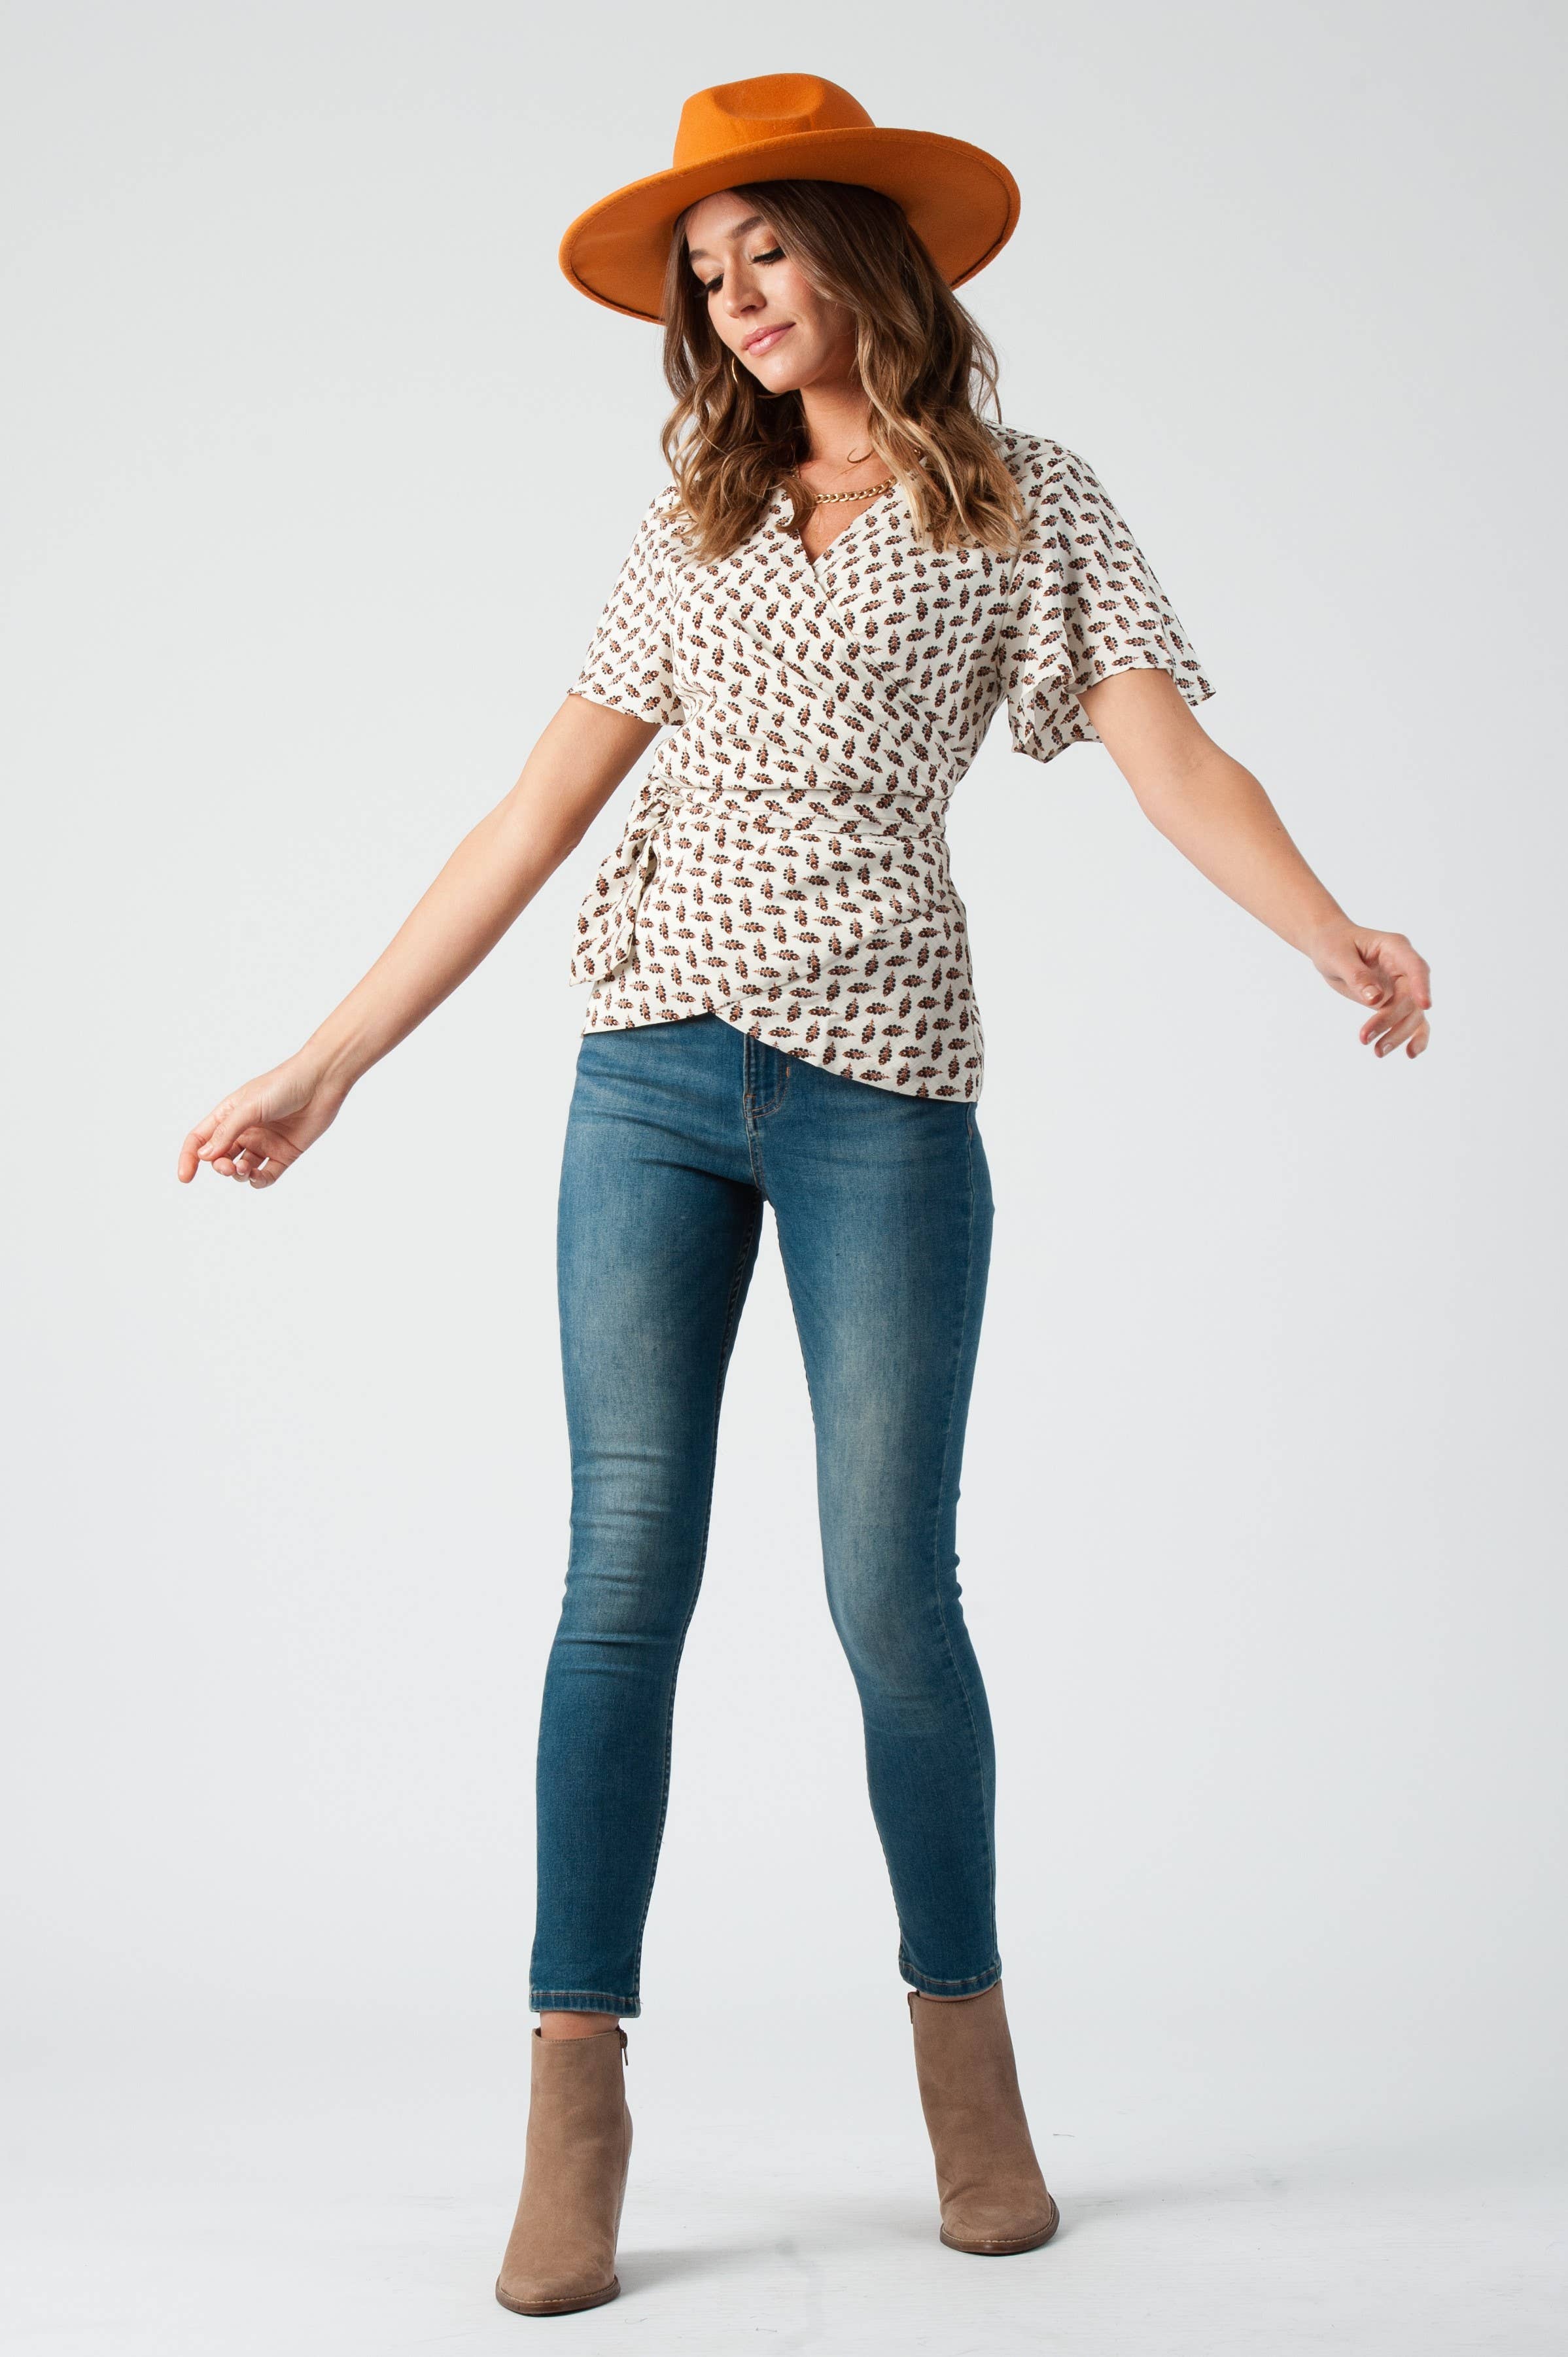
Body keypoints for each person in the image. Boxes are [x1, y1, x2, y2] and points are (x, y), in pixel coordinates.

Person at [177, 72, 1433, 2320]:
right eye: (706, 270)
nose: (737, 297)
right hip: (647, 1079)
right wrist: (327, 1060)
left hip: (887, 1094)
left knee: (889, 1593)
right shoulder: (695, 527)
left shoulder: (1028, 502)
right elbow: (526, 818)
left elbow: (1165, 748)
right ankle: (575, 2107)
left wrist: (1328, 925)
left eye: (768, 249)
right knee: (620, 1582)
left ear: (865, 255)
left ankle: (972, 2083)